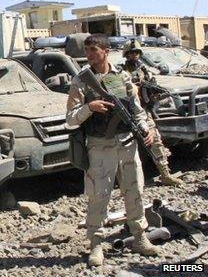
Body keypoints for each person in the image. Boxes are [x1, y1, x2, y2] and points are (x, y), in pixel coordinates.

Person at [66, 34, 161, 267]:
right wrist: (90, 107)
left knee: (135, 191)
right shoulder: (81, 81)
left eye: (93, 49)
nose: (88, 54)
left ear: (106, 51)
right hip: (100, 147)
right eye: (87, 49)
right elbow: (70, 119)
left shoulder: (123, 76)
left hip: (127, 144)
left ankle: (139, 237)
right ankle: (96, 244)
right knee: (99, 196)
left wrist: (145, 128)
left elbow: (136, 110)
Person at [122, 39, 183, 186]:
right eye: (131, 53)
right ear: (126, 54)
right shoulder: (121, 72)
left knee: (156, 142)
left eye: (136, 52)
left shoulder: (145, 71)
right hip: (125, 113)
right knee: (125, 147)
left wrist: (153, 96)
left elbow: (152, 92)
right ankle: (127, 181)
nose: (134, 56)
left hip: (143, 111)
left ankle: (165, 174)